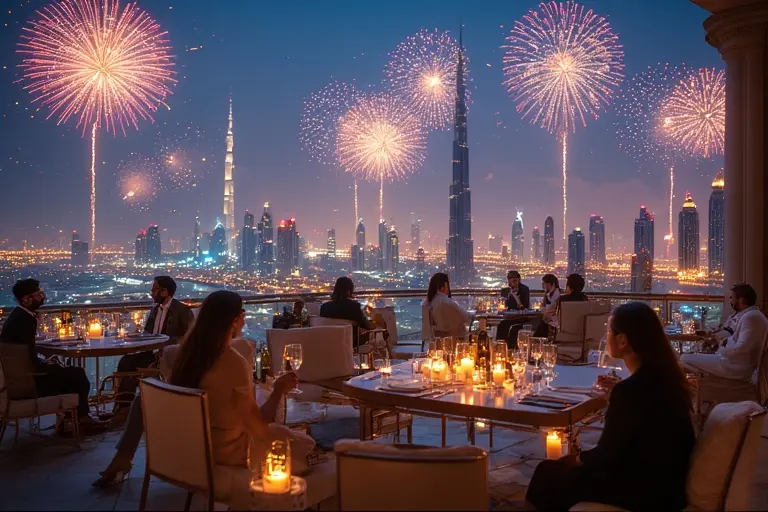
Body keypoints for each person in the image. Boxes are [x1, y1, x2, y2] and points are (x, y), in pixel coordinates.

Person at [94, 291, 298, 486]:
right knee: (304, 444)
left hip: (184, 450)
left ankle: (122, 458)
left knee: (142, 400)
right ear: (238, 318)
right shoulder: (234, 363)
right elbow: (257, 427)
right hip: (223, 453)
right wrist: (279, 389)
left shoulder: (184, 354)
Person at [526, 302, 694, 511]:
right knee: (555, 471)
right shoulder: (664, 379)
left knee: (547, 473)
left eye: (608, 331)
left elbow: (608, 453)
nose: (605, 338)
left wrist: (577, 458)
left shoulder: (631, 391)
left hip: (642, 489)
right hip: (665, 484)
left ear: (622, 340)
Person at [0, 279, 103, 435]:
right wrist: (50, 366)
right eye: (39, 294)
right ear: (26, 299)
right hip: (28, 384)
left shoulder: (18, 317)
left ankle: (70, 420)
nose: (42, 297)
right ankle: (81, 419)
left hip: (16, 381)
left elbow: (24, 357)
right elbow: (29, 362)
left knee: (69, 373)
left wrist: (46, 362)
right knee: (77, 375)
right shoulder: (24, 321)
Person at [113, 276, 194, 413]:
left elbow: (188, 337)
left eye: (154, 290)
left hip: (166, 355)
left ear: (164, 292)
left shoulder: (182, 310)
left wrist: (165, 343)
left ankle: (125, 406)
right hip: (151, 352)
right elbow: (148, 332)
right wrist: (137, 337)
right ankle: (124, 404)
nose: (151, 293)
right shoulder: (155, 310)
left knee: (129, 366)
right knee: (125, 362)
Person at [682, 283, 768, 382]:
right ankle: (705, 376)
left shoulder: (750, 317)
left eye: (732, 298)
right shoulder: (751, 315)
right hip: (734, 363)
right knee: (686, 358)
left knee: (684, 358)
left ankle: (706, 376)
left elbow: (742, 348)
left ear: (741, 299)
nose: (730, 301)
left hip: (735, 367)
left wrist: (723, 344)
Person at [320, 276, 372, 347]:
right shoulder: (354, 306)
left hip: (330, 343)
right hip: (351, 343)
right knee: (379, 330)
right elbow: (367, 326)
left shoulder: (324, 307)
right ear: (350, 290)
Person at [423, 273, 471, 338]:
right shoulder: (446, 302)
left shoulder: (429, 302)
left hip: (437, 340)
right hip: (456, 340)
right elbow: (466, 317)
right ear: (444, 286)